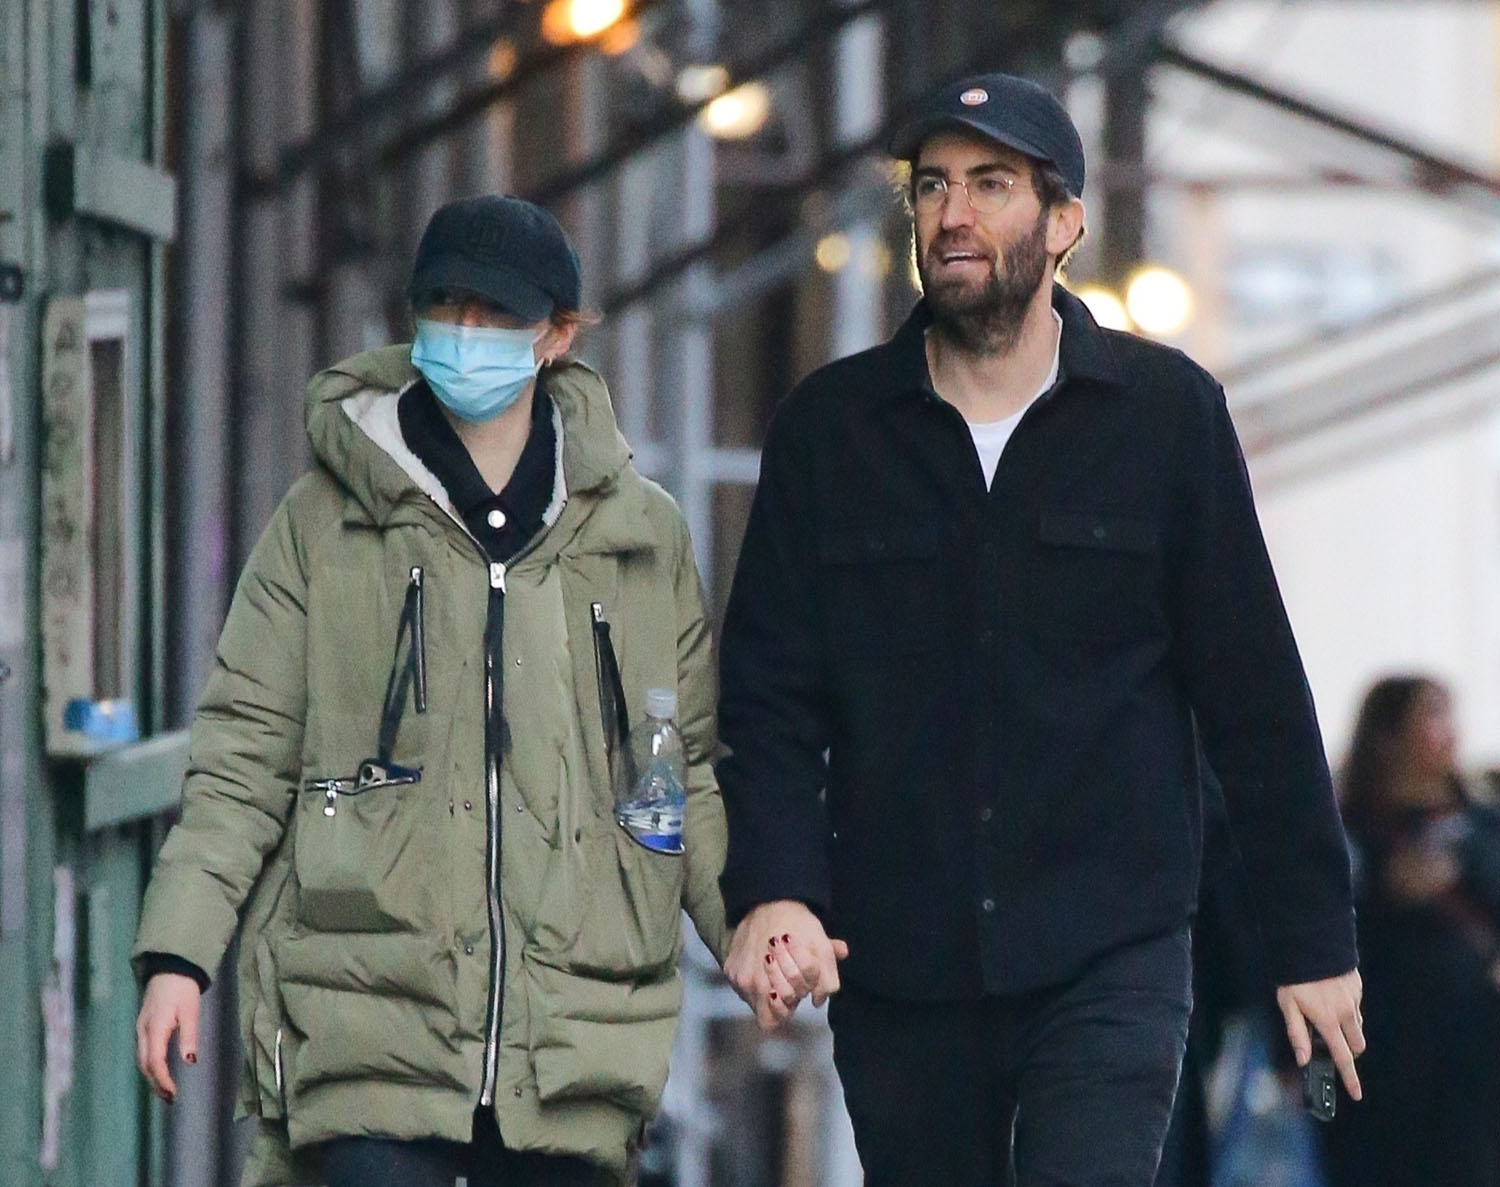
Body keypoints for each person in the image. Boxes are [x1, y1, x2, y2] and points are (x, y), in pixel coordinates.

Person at [715, 72, 1364, 1186]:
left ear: (1065, 222)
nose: (953, 213)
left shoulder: (1166, 418)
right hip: (901, 956)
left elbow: (1254, 694)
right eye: (933, 186)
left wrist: (1313, 942)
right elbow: (771, 694)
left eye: (992, 184)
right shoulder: (830, 433)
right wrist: (777, 886)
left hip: (1109, 948)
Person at [131, 194, 727, 1187]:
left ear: (557, 336)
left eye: (494, 314)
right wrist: (178, 956)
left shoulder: (640, 536)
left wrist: (752, 926)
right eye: (444, 306)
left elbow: (682, 770)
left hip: (571, 1053)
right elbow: (241, 757)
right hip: (364, 1032)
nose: (464, 331)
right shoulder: (323, 521)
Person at [1321, 676, 1500, 1187]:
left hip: (1472, 1047)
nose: (1449, 733)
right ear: (1389, 734)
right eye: (1432, 715)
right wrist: (1389, 891)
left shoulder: (1479, 824)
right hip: (1381, 1045)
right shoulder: (1348, 828)